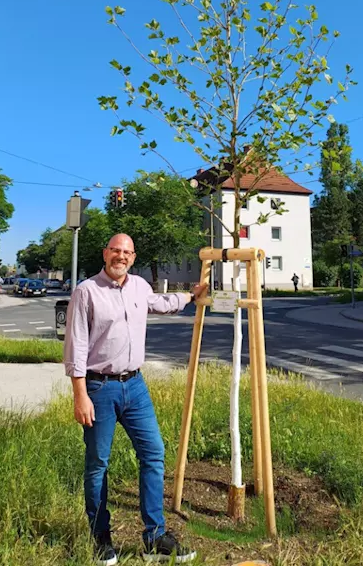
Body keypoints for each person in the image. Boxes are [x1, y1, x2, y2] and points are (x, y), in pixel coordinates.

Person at [64, 233, 208, 565]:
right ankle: (101, 539)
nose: (121, 256)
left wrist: (190, 295)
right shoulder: (86, 292)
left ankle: (154, 538)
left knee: (154, 454)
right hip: (100, 389)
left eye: (127, 252)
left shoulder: (139, 286)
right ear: (105, 253)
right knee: (98, 465)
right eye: (116, 250)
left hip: (136, 387)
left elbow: (162, 302)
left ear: (133, 257)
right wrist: (80, 395)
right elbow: (76, 347)